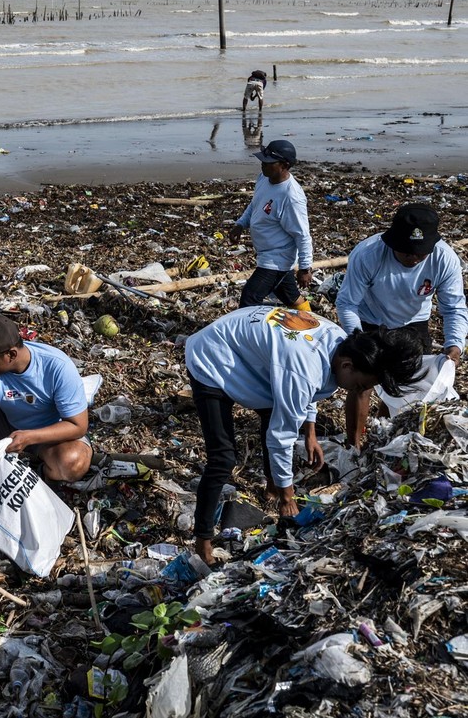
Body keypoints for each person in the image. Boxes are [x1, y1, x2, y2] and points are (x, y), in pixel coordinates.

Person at [184, 305, 424, 564]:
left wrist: (310, 432)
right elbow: (282, 432)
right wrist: (290, 499)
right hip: (211, 355)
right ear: (347, 365)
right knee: (223, 459)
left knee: (273, 411)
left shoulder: (338, 340)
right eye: (360, 385)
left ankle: (272, 487)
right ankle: (203, 544)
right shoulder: (304, 367)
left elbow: (308, 388)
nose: (357, 391)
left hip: (246, 352)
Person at [336, 202, 468, 446]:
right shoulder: (368, 254)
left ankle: (385, 435)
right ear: (392, 241)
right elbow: (346, 303)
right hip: (371, 321)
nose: (413, 257)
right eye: (406, 251)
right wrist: (357, 339)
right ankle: (353, 444)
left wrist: (455, 345)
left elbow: (454, 307)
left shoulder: (445, 259)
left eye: (420, 252)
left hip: (413, 323)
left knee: (405, 386)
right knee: (361, 384)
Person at [0, 313, 91, 487]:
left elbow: (78, 426)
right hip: (5, 427)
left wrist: (29, 437)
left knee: (73, 462)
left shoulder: (57, 367)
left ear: (11, 355)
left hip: (48, 435)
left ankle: (42, 475)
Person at [229, 139, 313, 311]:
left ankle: (249, 336)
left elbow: (302, 234)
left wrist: (305, 268)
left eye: (268, 162)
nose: (263, 165)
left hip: (277, 259)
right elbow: (255, 204)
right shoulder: (264, 178)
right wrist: (240, 224)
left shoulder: (291, 197)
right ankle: (312, 323)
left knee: (249, 299)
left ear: (284, 165)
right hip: (265, 253)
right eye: (262, 161)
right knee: (290, 296)